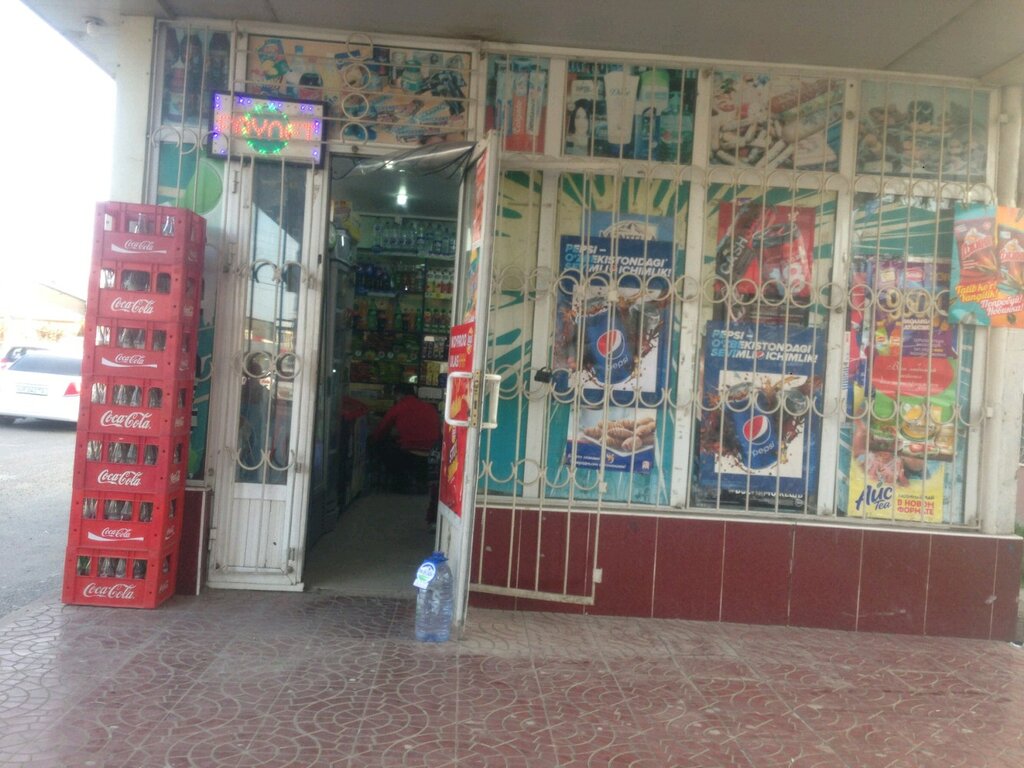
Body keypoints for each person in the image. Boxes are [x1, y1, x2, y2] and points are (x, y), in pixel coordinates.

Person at [370, 381, 442, 496]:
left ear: (399, 394)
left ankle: (400, 483)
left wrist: (372, 440)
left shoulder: (399, 407)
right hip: (432, 453)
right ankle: (421, 483)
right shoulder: (429, 407)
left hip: (408, 452)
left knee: (383, 446)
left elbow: (381, 430)